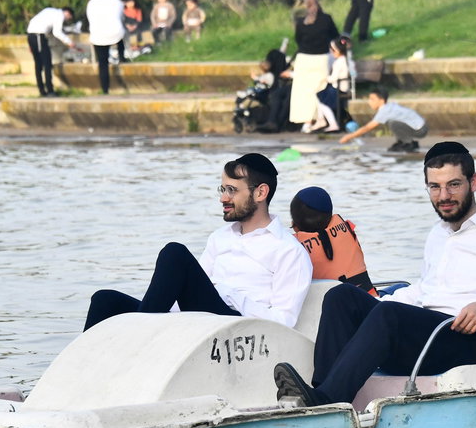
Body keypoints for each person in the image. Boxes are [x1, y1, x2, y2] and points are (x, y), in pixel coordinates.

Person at [273, 142, 476, 407]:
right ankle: (322, 392)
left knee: (390, 316)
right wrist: (374, 307)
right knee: (342, 296)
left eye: (453, 185)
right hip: (429, 336)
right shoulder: (438, 234)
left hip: (474, 345)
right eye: (435, 187)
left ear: (474, 182)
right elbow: (426, 290)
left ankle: (327, 400)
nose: (444, 196)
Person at [84, 153, 312, 330]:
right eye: (223, 189)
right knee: (105, 300)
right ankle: (80, 375)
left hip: (233, 328)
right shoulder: (220, 237)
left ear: (261, 193)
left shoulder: (288, 251)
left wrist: (229, 294)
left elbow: (283, 321)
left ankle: (141, 335)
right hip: (197, 321)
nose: (223, 198)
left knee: (175, 254)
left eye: (232, 190)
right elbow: (187, 288)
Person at [290, 186, 375, 295]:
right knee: (400, 286)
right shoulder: (347, 229)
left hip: (328, 308)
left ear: (294, 225)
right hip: (370, 299)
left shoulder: (293, 247)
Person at [288, 0, 340, 127]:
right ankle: (320, 118)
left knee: (303, 93)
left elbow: (298, 40)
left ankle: (307, 121)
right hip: (321, 59)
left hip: (304, 59)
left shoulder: (300, 22)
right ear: (318, 3)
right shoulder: (326, 19)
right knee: (319, 90)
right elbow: (335, 36)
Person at [339, 86, 427, 152]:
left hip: (420, 130)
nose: (369, 102)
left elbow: (368, 128)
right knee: (392, 122)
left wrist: (349, 137)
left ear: (381, 100)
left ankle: (408, 144)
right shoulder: (388, 107)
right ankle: (403, 142)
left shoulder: (385, 110)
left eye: (372, 99)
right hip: (418, 127)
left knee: (393, 123)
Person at [25, 6, 74, 97]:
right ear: (67, 13)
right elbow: (57, 32)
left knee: (39, 64)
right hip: (39, 36)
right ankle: (49, 90)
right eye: (68, 18)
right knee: (46, 63)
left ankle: (42, 90)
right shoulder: (59, 15)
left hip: (31, 35)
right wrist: (69, 42)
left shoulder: (49, 10)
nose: (66, 20)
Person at [85, 0, 125, 95]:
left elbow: (89, 18)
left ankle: (105, 89)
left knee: (103, 63)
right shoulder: (118, 2)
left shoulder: (91, 2)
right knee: (121, 35)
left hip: (97, 35)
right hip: (115, 33)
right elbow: (121, 18)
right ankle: (122, 57)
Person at [302, 39, 346, 133]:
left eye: (333, 50)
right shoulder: (345, 60)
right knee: (320, 96)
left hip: (338, 88)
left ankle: (332, 123)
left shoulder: (339, 62)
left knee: (321, 99)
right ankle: (320, 120)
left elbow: (333, 78)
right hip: (340, 87)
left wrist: (324, 78)